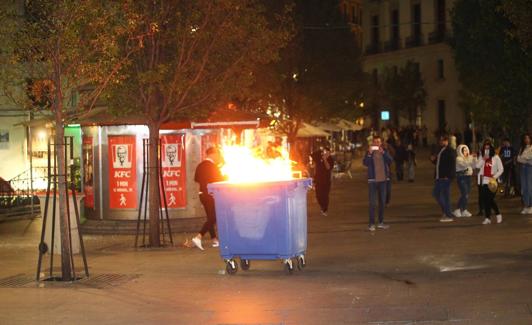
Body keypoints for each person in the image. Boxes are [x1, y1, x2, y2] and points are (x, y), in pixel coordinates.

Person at [191, 147, 225, 250]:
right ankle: (198, 237)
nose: (218, 157)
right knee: (213, 217)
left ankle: (214, 240)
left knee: (210, 217)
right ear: (213, 154)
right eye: (217, 154)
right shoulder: (212, 166)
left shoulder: (200, 165)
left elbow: (196, 179)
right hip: (210, 194)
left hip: (202, 194)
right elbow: (220, 179)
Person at [363, 136, 393, 231]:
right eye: (375, 142)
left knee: (382, 202)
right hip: (373, 181)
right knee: (372, 203)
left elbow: (390, 161)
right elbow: (365, 163)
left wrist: (383, 153)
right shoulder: (369, 153)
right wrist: (369, 153)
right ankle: (371, 224)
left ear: (381, 143)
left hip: (383, 181)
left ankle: (381, 222)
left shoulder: (384, 151)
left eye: (378, 142)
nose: (377, 143)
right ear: (372, 143)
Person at [476, 140, 504, 224]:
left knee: (490, 199)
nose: (486, 150)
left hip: (493, 181)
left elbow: (501, 169)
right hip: (484, 180)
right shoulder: (482, 157)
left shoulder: (496, 157)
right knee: (485, 199)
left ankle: (498, 214)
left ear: (491, 149)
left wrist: (494, 177)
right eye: (485, 148)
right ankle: (487, 218)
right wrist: (483, 159)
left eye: (488, 148)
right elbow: (477, 166)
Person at [430, 135, 456, 222]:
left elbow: (452, 164)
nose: (440, 142)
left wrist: (448, 175)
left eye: (442, 140)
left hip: (445, 177)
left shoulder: (450, 150)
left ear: (446, 141)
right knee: (437, 194)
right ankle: (446, 211)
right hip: (439, 176)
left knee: (445, 196)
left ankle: (448, 214)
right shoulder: (441, 150)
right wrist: (433, 160)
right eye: (440, 141)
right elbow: (439, 163)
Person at [453, 144, 476, 218]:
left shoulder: (468, 158)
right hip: (461, 177)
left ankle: (463, 210)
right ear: (460, 151)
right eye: (464, 150)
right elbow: (465, 165)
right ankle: (458, 209)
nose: (466, 152)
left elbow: (474, 166)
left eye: (466, 150)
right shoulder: (458, 158)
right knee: (464, 194)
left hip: (468, 177)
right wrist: (471, 158)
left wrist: (474, 159)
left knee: (466, 195)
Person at [311, 147, 334, 216]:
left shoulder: (330, 159)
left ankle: (325, 209)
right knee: (318, 195)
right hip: (318, 179)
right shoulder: (319, 158)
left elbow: (328, 167)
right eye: (325, 152)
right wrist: (320, 150)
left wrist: (325, 160)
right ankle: (322, 206)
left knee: (325, 195)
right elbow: (312, 155)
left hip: (326, 180)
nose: (326, 153)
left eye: (327, 152)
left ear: (329, 153)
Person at [517, 133, 532, 214]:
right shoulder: (522, 148)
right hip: (523, 168)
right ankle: (526, 206)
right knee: (524, 188)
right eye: (525, 138)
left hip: (530, 168)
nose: (526, 140)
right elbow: (518, 159)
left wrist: (524, 158)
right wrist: (525, 159)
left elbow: (530, 157)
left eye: (528, 138)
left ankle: (531, 206)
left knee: (530, 188)